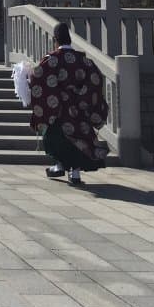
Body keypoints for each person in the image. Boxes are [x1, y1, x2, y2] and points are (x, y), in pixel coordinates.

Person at [28, 22, 108, 186]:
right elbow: (96, 79)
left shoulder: (52, 59)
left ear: (55, 39)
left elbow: (38, 77)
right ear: (69, 38)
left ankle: (59, 165)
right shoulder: (83, 60)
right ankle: (75, 172)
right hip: (79, 107)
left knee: (55, 137)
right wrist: (82, 96)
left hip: (59, 108)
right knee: (79, 137)